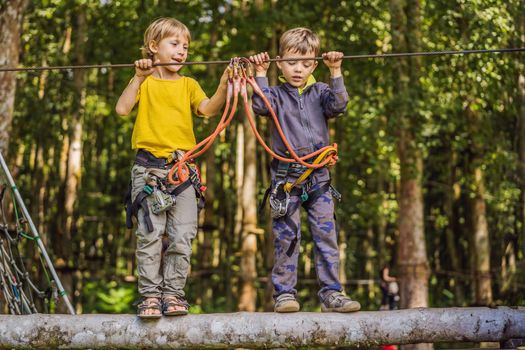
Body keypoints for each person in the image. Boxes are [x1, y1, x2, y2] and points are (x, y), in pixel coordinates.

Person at [116, 17, 228, 318]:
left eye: (185, 47)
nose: (181, 51)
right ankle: (150, 296)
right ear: (154, 47)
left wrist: (224, 84)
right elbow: (123, 109)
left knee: (183, 235)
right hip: (149, 170)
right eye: (174, 44)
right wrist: (138, 78)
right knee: (151, 235)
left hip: (182, 172)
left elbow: (207, 109)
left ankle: (174, 294)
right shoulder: (145, 80)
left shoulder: (189, 84)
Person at [249, 27, 360, 313]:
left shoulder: (321, 91)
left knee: (326, 235)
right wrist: (260, 73)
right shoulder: (275, 94)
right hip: (286, 179)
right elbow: (260, 106)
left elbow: (339, 105)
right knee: (287, 235)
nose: (298, 69)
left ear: (314, 64)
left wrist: (335, 71)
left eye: (306, 63)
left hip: (318, 178)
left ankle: (332, 293)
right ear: (279, 62)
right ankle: (284, 294)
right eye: (291, 62)